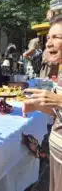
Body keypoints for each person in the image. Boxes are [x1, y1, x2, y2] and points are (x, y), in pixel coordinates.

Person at [23, 14, 62, 191]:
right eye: (48, 38)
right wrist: (39, 106)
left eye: (56, 37)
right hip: (56, 151)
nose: (48, 43)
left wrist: (59, 100)